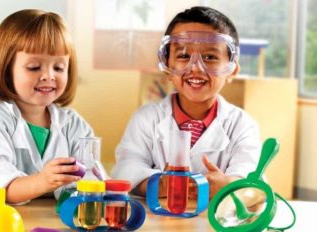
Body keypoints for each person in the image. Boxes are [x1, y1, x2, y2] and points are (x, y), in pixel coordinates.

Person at [111, 6, 261, 198]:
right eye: (183, 55)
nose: (196, 68)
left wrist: (229, 186)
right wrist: (159, 184)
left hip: (216, 223)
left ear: (231, 70)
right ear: (167, 67)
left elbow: (251, 181)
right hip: (160, 223)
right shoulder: (146, 118)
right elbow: (127, 167)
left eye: (210, 57)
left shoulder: (242, 125)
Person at [0, 9, 93, 205]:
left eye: (59, 68)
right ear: (5, 69)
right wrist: (43, 181)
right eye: (34, 67)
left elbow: (93, 180)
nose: (49, 76)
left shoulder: (73, 124)